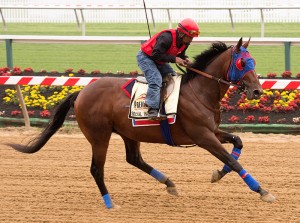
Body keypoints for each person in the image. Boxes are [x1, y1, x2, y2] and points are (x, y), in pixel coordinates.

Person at [136, 18, 199, 120]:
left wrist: (185, 59)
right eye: (190, 37)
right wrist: (175, 59)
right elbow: (156, 55)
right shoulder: (166, 38)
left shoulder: (184, 42)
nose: (191, 40)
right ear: (182, 34)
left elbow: (180, 54)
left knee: (173, 78)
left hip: (159, 60)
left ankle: (167, 105)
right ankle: (152, 110)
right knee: (156, 79)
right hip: (146, 58)